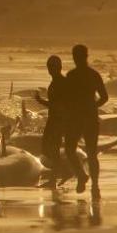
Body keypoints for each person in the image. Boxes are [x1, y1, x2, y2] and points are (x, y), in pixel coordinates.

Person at [64, 44, 108, 199]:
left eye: (77, 57)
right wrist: (92, 106)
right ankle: (91, 183)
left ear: (79, 57)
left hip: (78, 117)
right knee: (89, 152)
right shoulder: (93, 75)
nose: (76, 59)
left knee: (73, 149)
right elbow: (104, 97)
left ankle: (87, 179)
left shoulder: (72, 75)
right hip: (88, 116)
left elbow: (66, 99)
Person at [35, 55, 69, 187]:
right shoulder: (57, 82)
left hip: (58, 120)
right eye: (49, 67)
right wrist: (41, 101)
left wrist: (41, 101)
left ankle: (58, 176)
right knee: (48, 148)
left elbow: (60, 104)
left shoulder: (60, 82)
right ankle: (58, 176)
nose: (50, 70)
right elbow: (56, 103)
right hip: (55, 119)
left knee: (51, 148)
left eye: (52, 67)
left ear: (59, 67)